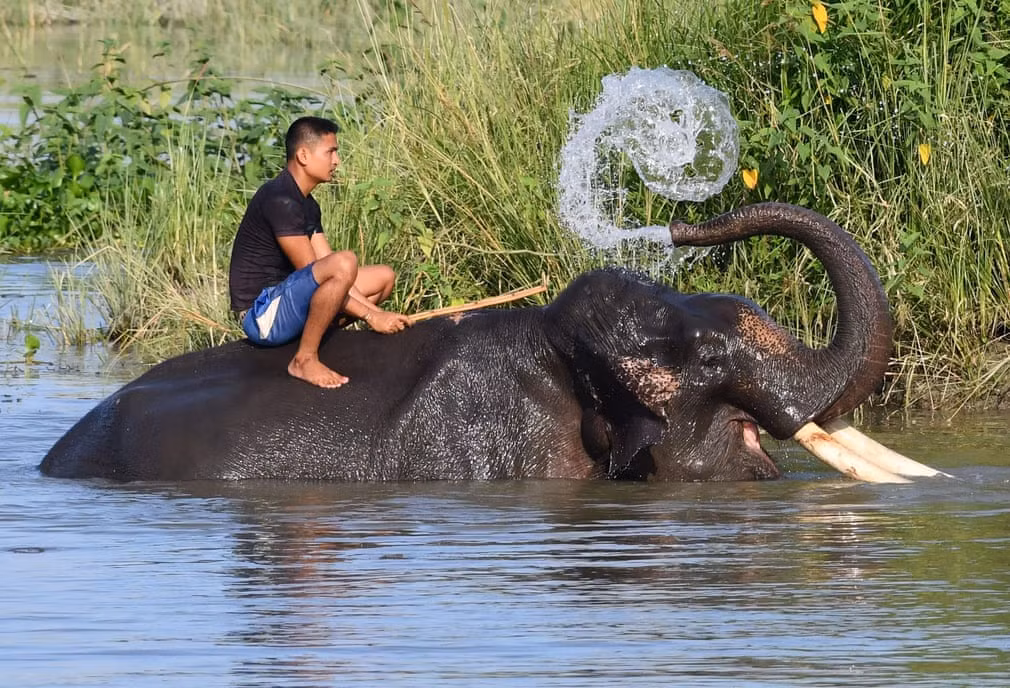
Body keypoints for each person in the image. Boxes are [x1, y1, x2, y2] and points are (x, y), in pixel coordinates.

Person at [229, 116, 411, 389]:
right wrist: (373, 316)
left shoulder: (308, 205)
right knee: (344, 262)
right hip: (262, 314)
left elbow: (331, 268)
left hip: (288, 297)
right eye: (330, 152)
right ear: (303, 155)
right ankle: (303, 359)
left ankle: (317, 331)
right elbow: (317, 269)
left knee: (383, 277)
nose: (336, 161)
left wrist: (380, 314)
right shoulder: (280, 200)